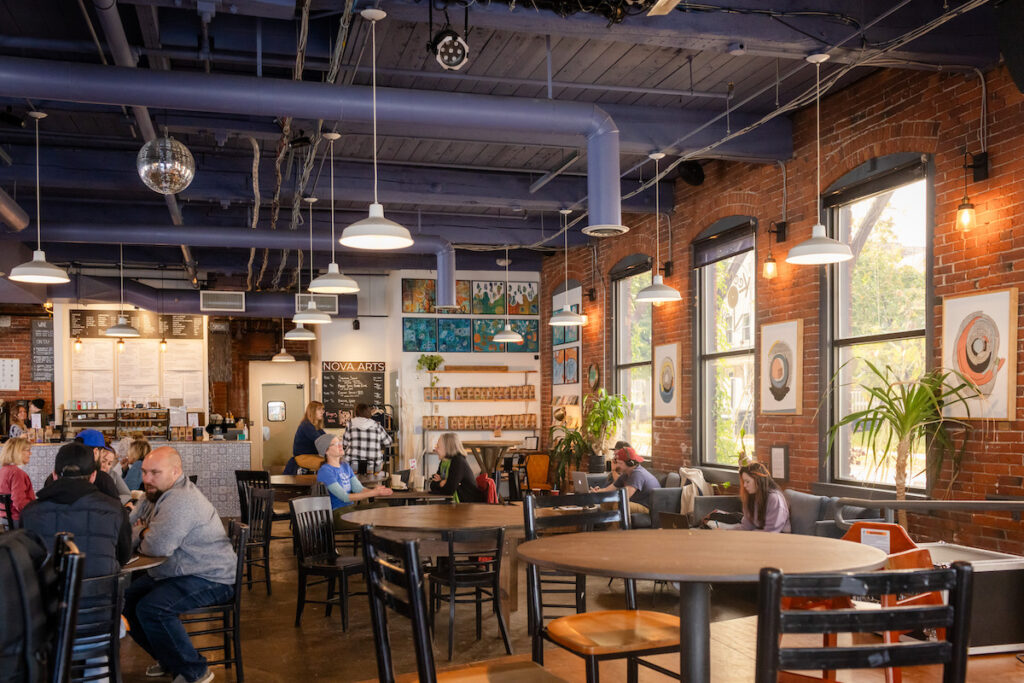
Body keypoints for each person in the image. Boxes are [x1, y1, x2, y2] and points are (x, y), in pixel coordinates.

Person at [125, 446, 237, 683]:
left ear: (176, 472)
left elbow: (157, 547)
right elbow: (127, 530)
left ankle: (195, 671)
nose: (146, 479)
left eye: (155, 472)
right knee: (123, 601)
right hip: (176, 572)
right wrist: (143, 532)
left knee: (152, 608)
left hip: (211, 577)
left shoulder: (181, 499)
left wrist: (143, 533)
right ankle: (171, 660)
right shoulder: (153, 494)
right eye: (144, 472)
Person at [21, 441, 131, 577]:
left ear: (54, 475)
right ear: (93, 476)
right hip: (101, 596)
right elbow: (124, 557)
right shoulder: (115, 509)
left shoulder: (29, 512)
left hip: (47, 597)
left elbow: (27, 563)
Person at [315, 433, 392, 526]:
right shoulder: (325, 471)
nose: (340, 445)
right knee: (375, 522)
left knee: (384, 507)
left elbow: (359, 489)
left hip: (350, 509)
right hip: (337, 514)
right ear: (326, 451)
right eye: (335, 444)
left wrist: (378, 491)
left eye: (340, 442)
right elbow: (344, 497)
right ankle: (371, 537)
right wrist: (373, 493)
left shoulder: (345, 466)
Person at [590, 446, 661, 513]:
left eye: (620, 463)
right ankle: (608, 525)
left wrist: (606, 496)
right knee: (605, 502)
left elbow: (625, 495)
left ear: (629, 463)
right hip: (637, 503)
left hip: (648, 508)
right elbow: (611, 488)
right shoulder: (626, 473)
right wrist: (598, 491)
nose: (617, 465)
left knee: (619, 504)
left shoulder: (637, 474)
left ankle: (616, 526)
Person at [78, 428, 132, 504]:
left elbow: (126, 494)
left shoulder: (66, 472)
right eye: (103, 460)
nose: (106, 466)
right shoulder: (103, 478)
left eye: (110, 463)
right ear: (96, 452)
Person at [735, 461, 791, 533]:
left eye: (747, 481)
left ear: (758, 480)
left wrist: (749, 535)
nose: (745, 485)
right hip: (758, 537)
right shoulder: (752, 497)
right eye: (744, 482)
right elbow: (746, 527)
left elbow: (771, 532)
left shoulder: (775, 499)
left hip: (778, 539)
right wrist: (726, 532)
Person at [429, 432, 484, 503]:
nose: (435, 449)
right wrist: (441, 483)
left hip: (469, 505)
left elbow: (449, 490)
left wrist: (442, 483)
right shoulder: (444, 462)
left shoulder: (458, 461)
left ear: (447, 447)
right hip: (457, 504)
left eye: (438, 446)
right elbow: (432, 485)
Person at [342, 403, 392, 475]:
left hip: (352, 465)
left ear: (356, 412)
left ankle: (353, 484)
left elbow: (344, 444)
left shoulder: (349, 424)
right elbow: (388, 442)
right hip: (373, 466)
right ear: (369, 412)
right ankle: (371, 484)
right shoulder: (376, 425)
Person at [285, 400, 326, 474]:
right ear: (312, 411)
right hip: (303, 457)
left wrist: (334, 441)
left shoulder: (316, 427)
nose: (322, 412)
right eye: (319, 409)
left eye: (323, 409)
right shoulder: (306, 425)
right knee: (328, 464)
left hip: (311, 456)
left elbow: (326, 439)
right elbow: (321, 440)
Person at [0, 437, 35, 524]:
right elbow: (19, 502)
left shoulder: (3, 470)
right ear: (18, 452)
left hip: (3, 519)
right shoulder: (17, 473)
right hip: (17, 520)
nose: (30, 453)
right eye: (28, 450)